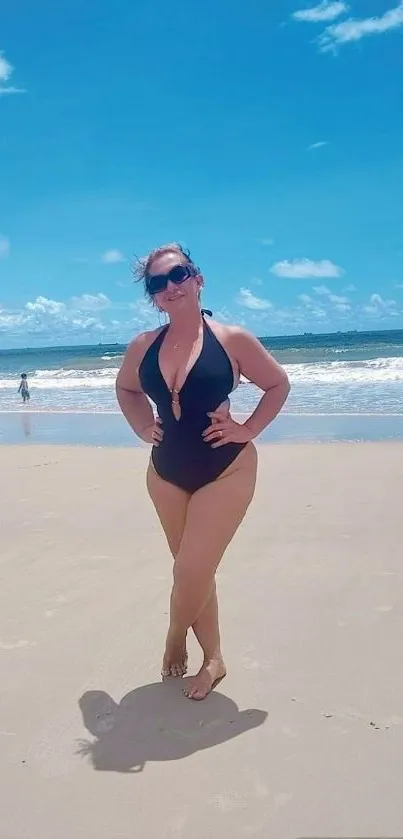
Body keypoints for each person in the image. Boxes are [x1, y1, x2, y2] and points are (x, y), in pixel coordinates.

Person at [116, 243, 290, 700]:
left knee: (191, 568)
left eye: (179, 275)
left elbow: (277, 384)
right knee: (195, 571)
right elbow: (126, 388)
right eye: (158, 283)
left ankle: (176, 635)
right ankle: (213, 658)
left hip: (225, 469)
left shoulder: (231, 339)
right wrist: (140, 425)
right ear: (152, 296)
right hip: (165, 473)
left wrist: (247, 427)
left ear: (197, 279)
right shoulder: (143, 345)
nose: (170, 287)